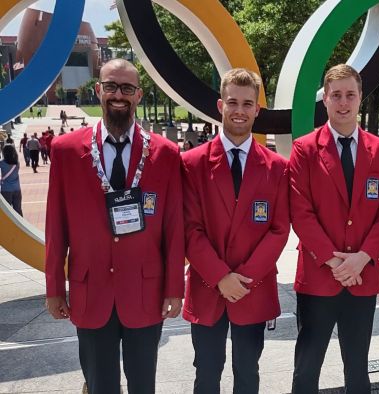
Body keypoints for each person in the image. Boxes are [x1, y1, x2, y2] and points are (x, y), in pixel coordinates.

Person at [44, 58, 185, 393]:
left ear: (138, 95)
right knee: (99, 385)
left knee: (142, 385)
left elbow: (174, 227)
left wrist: (174, 288)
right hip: (91, 291)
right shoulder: (65, 150)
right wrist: (53, 287)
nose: (118, 94)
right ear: (98, 90)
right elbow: (55, 225)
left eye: (127, 88)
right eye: (111, 86)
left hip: (145, 291)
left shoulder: (165, 153)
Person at [289, 64, 379, 393]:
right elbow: (301, 213)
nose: (343, 102)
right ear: (325, 100)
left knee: (358, 371)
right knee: (307, 368)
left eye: (350, 94)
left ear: (361, 98)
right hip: (319, 276)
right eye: (336, 95)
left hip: (362, 278)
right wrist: (337, 262)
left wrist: (363, 257)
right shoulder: (305, 149)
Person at [181, 68, 290, 393]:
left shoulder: (277, 167)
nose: (239, 111)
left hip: (251, 289)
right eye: (233, 102)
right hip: (207, 287)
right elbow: (190, 229)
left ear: (257, 109)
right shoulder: (192, 163)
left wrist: (243, 279)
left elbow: (279, 230)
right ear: (220, 106)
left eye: (247, 104)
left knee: (248, 373)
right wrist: (221, 277)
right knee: (207, 374)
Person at [0, 145, 23, 216]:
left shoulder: (2, 163)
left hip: (6, 189)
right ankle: (20, 225)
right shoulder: (17, 163)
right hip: (17, 189)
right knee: (18, 209)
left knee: (7, 211)